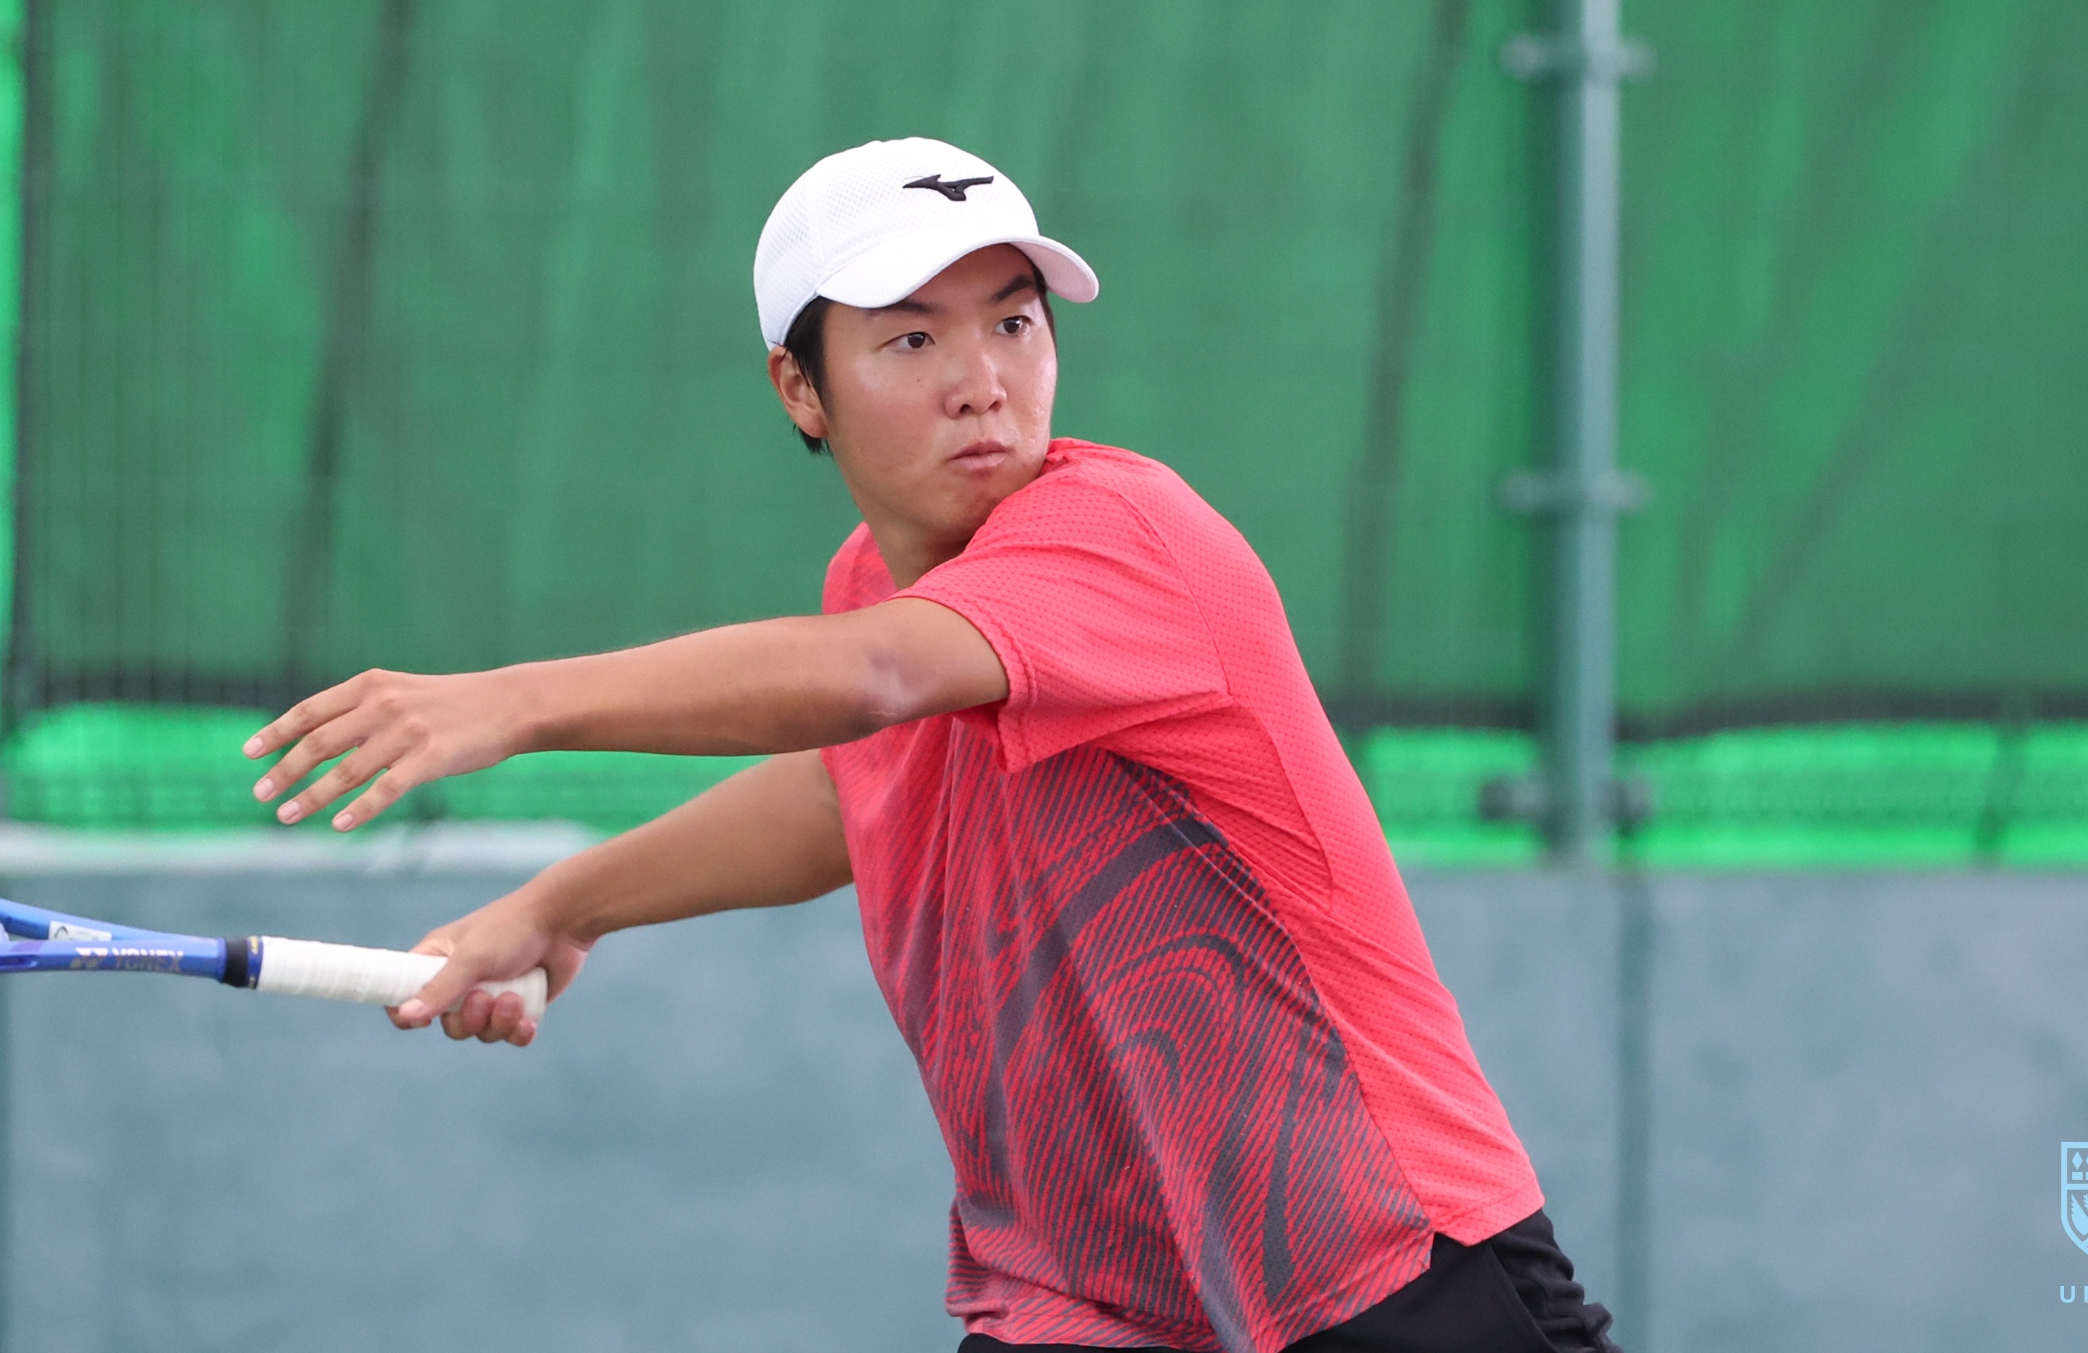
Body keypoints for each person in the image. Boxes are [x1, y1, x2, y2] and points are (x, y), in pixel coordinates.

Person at [245, 137, 1624, 1353]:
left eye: (1014, 323)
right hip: (1084, 1296)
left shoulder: (1119, 535)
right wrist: (564, 907)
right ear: (802, 390)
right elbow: (848, 791)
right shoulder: (876, 589)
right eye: (911, 341)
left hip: (1387, 1265)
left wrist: (515, 704)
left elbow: (874, 683)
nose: (983, 383)